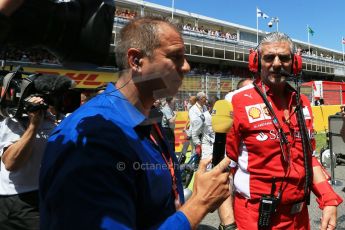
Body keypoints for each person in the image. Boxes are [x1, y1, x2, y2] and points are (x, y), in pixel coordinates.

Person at [39, 16, 232, 229]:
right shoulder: (93, 138)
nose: (186, 67)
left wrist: (190, 200)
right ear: (136, 61)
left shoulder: (148, 118)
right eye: (175, 57)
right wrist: (199, 204)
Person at [224, 32, 342, 230]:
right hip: (255, 219)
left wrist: (328, 198)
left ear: (294, 62)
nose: (277, 64)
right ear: (256, 61)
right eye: (269, 57)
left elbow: (308, 157)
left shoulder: (302, 103)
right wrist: (228, 225)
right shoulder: (235, 101)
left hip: (299, 218)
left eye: (284, 58)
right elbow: (224, 169)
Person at [0, 96, 58, 229]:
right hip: (11, 200)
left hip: (37, 197)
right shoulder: (12, 121)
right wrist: (33, 126)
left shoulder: (53, 122)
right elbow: (11, 163)